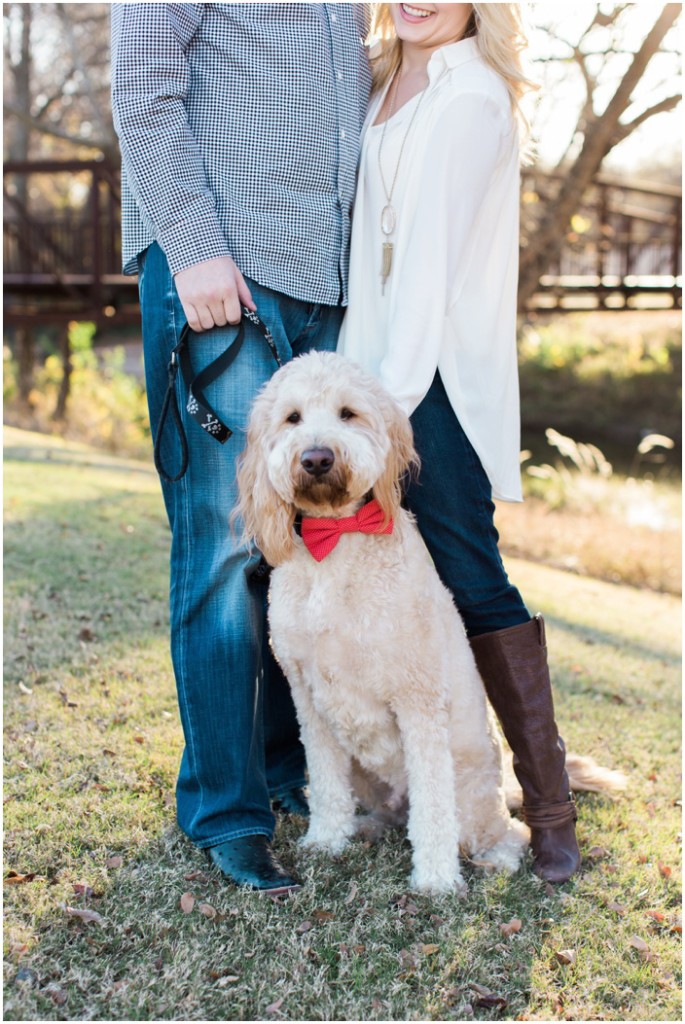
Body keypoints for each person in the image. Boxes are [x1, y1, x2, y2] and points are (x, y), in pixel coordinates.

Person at [111, 3, 371, 893]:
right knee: (224, 545)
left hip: (323, 278)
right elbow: (143, 84)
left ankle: (282, 769)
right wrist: (191, 248)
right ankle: (226, 810)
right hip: (224, 268)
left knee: (293, 546)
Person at [339, 2, 581, 883]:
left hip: (428, 382)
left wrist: (384, 412)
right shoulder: (378, 77)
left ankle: (550, 810)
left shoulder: (472, 94)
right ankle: (390, 782)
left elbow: (430, 270)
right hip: (371, 371)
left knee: (470, 574)